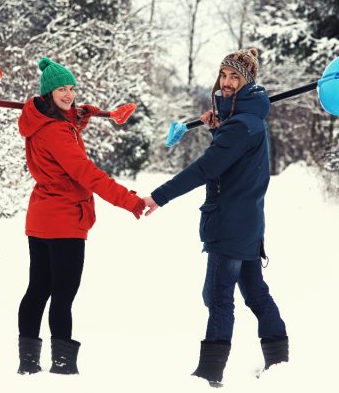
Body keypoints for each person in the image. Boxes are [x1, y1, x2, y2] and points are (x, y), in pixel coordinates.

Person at [143, 48, 288, 386]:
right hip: (247, 224)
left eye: (235, 77)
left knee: (218, 297)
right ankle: (280, 364)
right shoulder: (249, 122)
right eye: (224, 75)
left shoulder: (241, 126)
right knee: (254, 294)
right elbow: (231, 163)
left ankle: (209, 374)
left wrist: (158, 197)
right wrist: (217, 129)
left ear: (248, 82)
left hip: (229, 225)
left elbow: (207, 168)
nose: (226, 83)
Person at [17, 57, 145, 376]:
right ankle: (62, 366)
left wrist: (79, 117)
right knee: (62, 294)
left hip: (41, 216)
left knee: (38, 289)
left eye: (72, 88)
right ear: (48, 93)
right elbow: (85, 172)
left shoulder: (41, 122)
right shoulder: (58, 131)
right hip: (64, 220)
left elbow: (63, 137)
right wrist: (128, 200)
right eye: (61, 89)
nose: (69, 94)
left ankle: (28, 363)